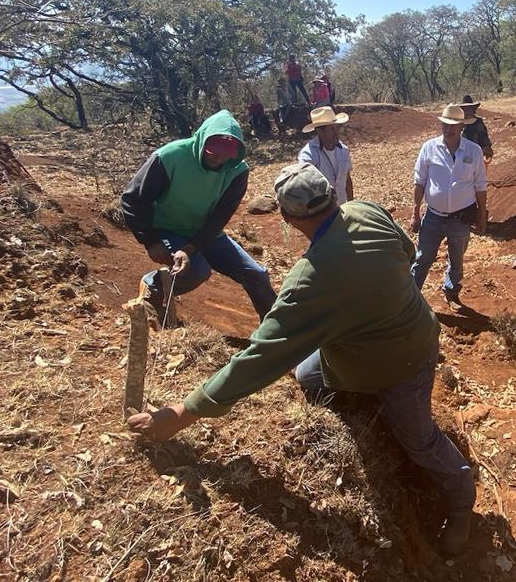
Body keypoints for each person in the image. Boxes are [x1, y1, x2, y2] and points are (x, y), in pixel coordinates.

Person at [127, 163, 477, 556]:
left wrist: (182, 412)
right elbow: (407, 251)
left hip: (406, 363)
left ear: (288, 218)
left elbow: (259, 358)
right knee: (308, 373)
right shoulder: (367, 210)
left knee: (421, 441)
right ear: (330, 195)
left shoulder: (309, 282)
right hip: (415, 325)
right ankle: (362, 398)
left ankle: (462, 500)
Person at [121, 110, 277, 323]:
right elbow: (133, 199)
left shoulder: (237, 171)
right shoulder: (169, 157)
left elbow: (220, 217)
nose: (218, 157)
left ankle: (276, 331)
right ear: (202, 139)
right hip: (168, 228)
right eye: (213, 149)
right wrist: (151, 241)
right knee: (197, 271)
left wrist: (190, 248)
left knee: (257, 275)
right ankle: (153, 285)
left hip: (205, 231)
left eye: (226, 152)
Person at [410, 104, 488, 307]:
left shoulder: (474, 151)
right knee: (423, 257)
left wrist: (482, 215)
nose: (448, 129)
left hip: (461, 218)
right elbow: (419, 181)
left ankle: (451, 292)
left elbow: (480, 184)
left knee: (457, 261)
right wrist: (415, 212)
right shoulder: (429, 148)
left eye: (453, 125)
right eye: (445, 124)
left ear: (462, 127)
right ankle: (410, 296)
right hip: (433, 217)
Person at [298, 106, 353, 203]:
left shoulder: (343, 150)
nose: (336, 132)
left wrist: (352, 204)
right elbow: (306, 188)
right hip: (322, 213)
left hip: (343, 207)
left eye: (336, 127)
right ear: (320, 131)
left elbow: (347, 180)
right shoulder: (308, 155)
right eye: (331, 129)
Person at [458, 95, 493, 164]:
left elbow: (484, 137)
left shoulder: (478, 122)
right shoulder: (458, 123)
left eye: (469, 108)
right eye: (465, 109)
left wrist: (486, 150)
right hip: (461, 156)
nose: (467, 111)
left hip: (476, 155)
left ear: (473, 109)